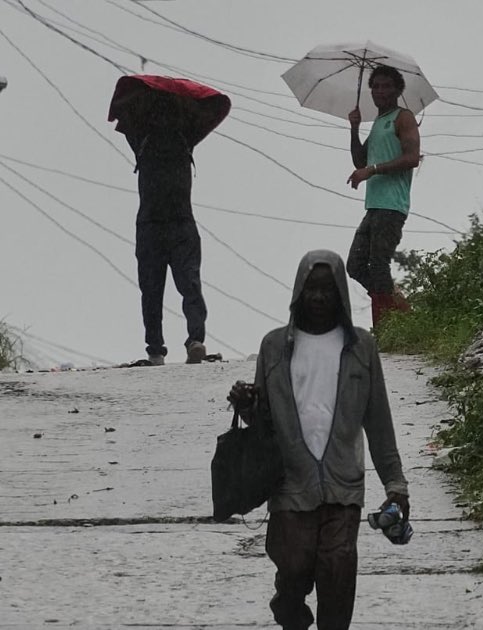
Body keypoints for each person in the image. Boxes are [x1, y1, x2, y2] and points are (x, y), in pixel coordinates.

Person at [227, 249, 410, 630]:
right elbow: (262, 424)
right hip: (290, 484)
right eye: (312, 289)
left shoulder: (362, 348)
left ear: (341, 293)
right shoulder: (274, 347)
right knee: (293, 567)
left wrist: (395, 483)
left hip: (343, 485)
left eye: (328, 289)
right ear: (299, 292)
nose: (320, 297)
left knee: (338, 572)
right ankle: (288, 606)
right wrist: (246, 404)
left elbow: (378, 421)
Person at [127, 92, 208, 365]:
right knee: (157, 288)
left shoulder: (184, 136)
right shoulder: (142, 137)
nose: (163, 117)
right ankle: (158, 347)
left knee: (187, 285)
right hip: (157, 225)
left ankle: (189, 341)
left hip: (175, 224)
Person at [345, 65, 421, 330]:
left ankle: (387, 328)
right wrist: (354, 128)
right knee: (355, 265)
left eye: (387, 85)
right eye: (376, 86)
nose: (381, 91)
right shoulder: (378, 122)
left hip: (392, 205)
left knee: (378, 265)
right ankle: (398, 308)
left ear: (398, 89)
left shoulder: (404, 117)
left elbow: (412, 158)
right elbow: (360, 160)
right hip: (374, 205)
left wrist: (373, 170)